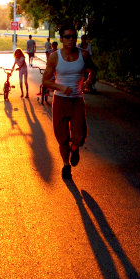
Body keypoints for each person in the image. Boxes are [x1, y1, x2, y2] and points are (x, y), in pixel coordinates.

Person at [42, 24, 96, 179]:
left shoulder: (84, 55)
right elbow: (45, 81)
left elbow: (93, 70)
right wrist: (60, 87)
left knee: (79, 136)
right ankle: (66, 165)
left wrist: (87, 82)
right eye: (67, 37)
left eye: (73, 36)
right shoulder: (55, 56)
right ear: (61, 39)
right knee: (62, 137)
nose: (71, 39)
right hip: (60, 101)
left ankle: (75, 148)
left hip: (77, 101)